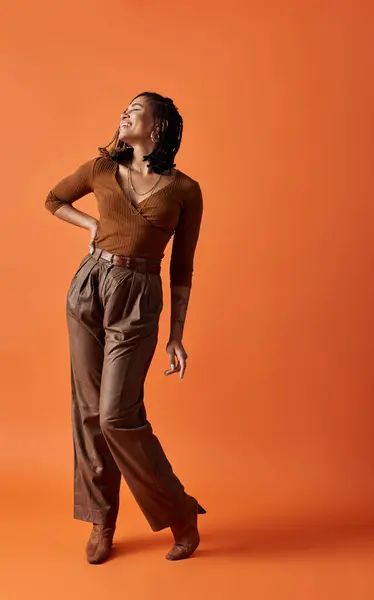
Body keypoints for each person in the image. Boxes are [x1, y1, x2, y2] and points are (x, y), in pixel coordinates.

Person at [45, 92, 206, 564]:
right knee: (89, 410)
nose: (124, 114)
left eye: (136, 110)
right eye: (124, 110)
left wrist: (176, 334)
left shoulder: (185, 190)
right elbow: (53, 199)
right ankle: (102, 520)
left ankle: (181, 514)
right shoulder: (100, 169)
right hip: (89, 287)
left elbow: (182, 267)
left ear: (156, 127)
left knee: (117, 413)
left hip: (139, 294)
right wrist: (90, 224)